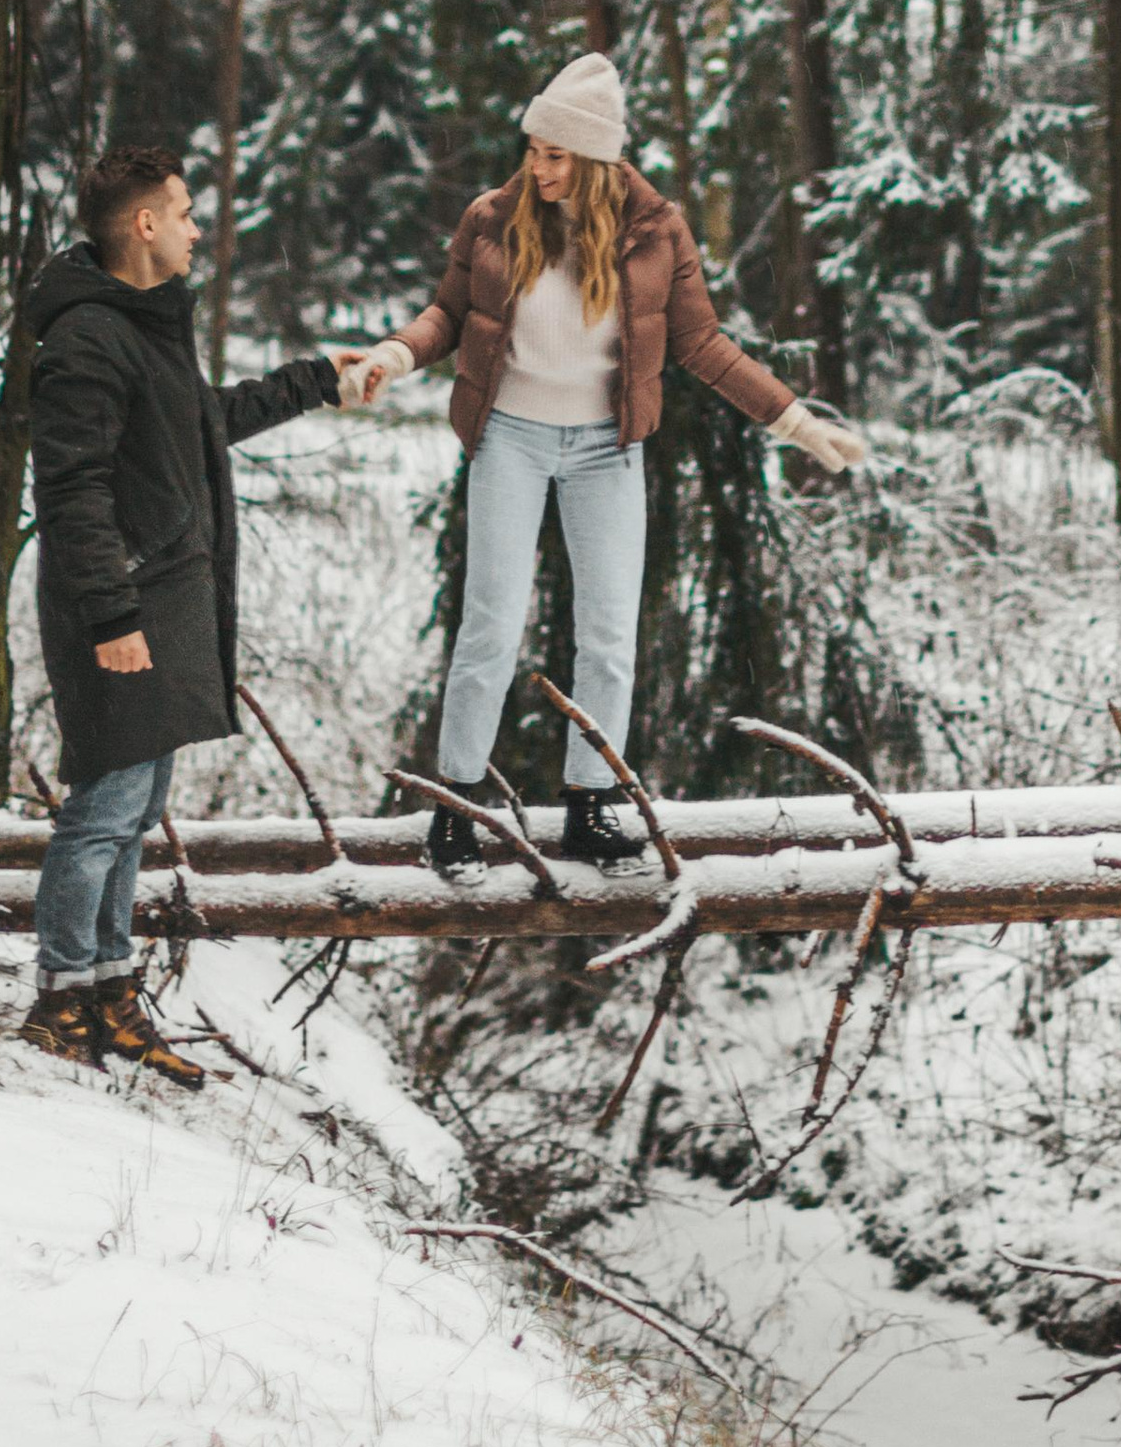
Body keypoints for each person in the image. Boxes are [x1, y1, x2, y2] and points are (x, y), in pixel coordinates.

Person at [349, 55, 866, 875]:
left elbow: (701, 344)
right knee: (489, 624)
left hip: (605, 449)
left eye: (555, 155)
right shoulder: (493, 219)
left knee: (609, 635)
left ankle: (591, 807)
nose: (538, 168)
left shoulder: (654, 233)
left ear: (594, 161)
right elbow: (448, 314)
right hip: (511, 438)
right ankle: (455, 811)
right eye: (533, 150)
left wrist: (798, 423)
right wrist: (393, 355)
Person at [20, 144, 363, 1077]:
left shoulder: (141, 325)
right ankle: (60, 1001)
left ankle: (108, 990)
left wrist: (315, 379)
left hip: (156, 593)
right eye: (182, 211)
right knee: (103, 809)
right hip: (124, 600)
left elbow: (194, 425)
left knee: (133, 808)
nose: (195, 227)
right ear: (143, 225)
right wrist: (110, 616)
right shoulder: (88, 335)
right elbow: (72, 489)